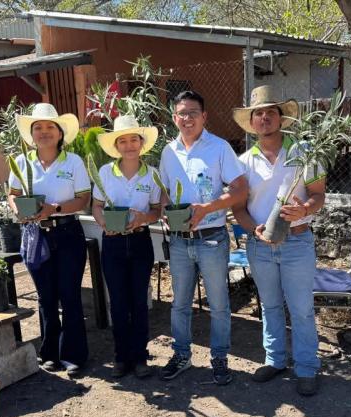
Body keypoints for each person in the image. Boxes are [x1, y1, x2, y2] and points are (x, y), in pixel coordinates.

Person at [231, 85, 326, 396]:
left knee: (300, 309)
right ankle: (275, 360)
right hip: (260, 246)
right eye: (259, 113)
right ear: (253, 121)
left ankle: (307, 367)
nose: (265, 117)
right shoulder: (243, 162)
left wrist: (305, 209)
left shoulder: (305, 152)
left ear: (281, 118)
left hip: (297, 242)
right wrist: (252, 229)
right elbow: (238, 208)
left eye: (271, 111)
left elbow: (318, 195)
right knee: (270, 306)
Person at [158, 90, 249, 385]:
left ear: (204, 116)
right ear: (174, 118)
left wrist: (207, 208)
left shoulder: (219, 148)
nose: (187, 118)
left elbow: (240, 189)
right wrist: (163, 211)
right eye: (182, 113)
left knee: (219, 305)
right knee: (180, 304)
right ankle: (182, 355)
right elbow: (164, 192)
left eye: (193, 113)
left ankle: (219, 358)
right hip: (179, 240)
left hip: (212, 238)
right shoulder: (168, 152)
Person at [8, 103, 91, 377]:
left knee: (69, 295)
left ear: (59, 133)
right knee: (45, 297)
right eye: (38, 128)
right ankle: (49, 353)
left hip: (67, 233)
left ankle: (74, 355)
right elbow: (13, 193)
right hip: (35, 235)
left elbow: (83, 199)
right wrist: (18, 208)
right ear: (32, 134)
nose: (44, 132)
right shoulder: (22, 162)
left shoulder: (73, 162)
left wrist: (53, 208)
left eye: (49, 127)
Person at [91, 115, 162, 379]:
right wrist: (102, 223)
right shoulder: (105, 173)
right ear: (117, 145)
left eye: (134, 139)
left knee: (139, 302)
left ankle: (140, 357)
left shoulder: (152, 174)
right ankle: (121, 357)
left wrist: (145, 218)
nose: (129, 145)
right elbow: (97, 205)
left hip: (141, 242)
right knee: (119, 302)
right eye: (123, 140)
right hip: (113, 243)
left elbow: (156, 210)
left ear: (142, 144)